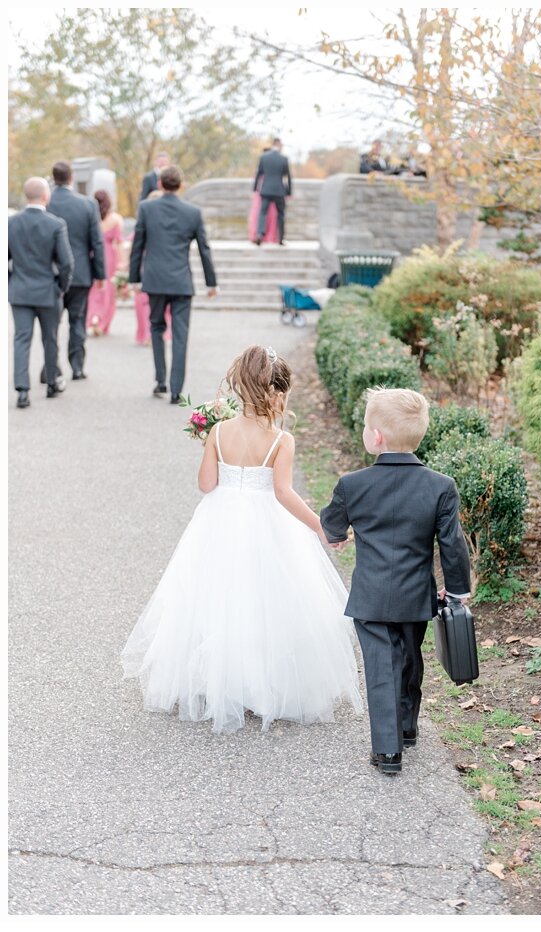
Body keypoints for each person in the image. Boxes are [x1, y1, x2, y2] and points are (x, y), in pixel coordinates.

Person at [121, 345, 363, 733]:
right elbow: (283, 493)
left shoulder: (218, 431)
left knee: (217, 599)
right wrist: (320, 526)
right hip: (267, 522)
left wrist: (211, 448)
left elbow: (206, 485)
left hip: (218, 521)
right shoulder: (280, 440)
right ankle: (264, 686)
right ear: (278, 394)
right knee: (266, 600)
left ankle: (219, 682)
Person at [320, 388, 471, 776]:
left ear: (377, 437)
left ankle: (388, 751)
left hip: (370, 597)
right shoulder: (440, 486)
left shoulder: (352, 485)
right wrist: (456, 590)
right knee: (408, 659)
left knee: (380, 666)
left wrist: (338, 534)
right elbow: (451, 544)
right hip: (416, 596)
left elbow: (333, 527)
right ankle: (406, 727)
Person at [128, 164, 218, 403]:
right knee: (180, 335)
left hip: (155, 279)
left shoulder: (146, 208)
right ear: (181, 185)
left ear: (160, 184)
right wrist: (212, 283)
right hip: (180, 281)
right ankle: (176, 389)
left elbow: (138, 245)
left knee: (156, 328)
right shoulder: (192, 212)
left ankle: (160, 381)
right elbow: (204, 250)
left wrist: (134, 278)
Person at [9, 177, 74, 408]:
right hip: (48, 291)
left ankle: (22, 391)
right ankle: (51, 384)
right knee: (51, 338)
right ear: (46, 196)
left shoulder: (11, 223)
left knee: (21, 339)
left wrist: (11, 281)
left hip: (20, 291)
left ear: (27, 196)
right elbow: (66, 263)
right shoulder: (56, 224)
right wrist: (61, 288)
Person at [43, 161, 106, 382]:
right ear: (71, 178)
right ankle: (77, 367)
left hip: (50, 273)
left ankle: (50, 367)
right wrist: (100, 274)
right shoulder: (88, 204)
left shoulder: (45, 202)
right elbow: (97, 242)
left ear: (54, 178)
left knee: (51, 322)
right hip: (81, 273)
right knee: (77, 321)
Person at [132, 191, 172, 346]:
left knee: (144, 305)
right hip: (163, 272)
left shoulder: (144, 223)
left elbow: (135, 249)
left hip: (146, 269)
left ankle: (148, 334)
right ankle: (154, 334)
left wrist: (133, 277)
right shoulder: (169, 226)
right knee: (161, 308)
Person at [86, 190, 125, 336]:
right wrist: (123, 262)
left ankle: (93, 316)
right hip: (109, 256)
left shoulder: (90, 218)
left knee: (93, 290)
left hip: (93, 255)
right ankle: (103, 321)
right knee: (108, 290)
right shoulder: (116, 219)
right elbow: (120, 242)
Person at [253, 138, 292, 246]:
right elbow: (287, 176)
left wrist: (255, 188)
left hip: (265, 189)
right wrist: (289, 191)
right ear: (279, 145)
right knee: (281, 214)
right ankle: (281, 238)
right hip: (279, 190)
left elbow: (259, 173)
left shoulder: (264, 157)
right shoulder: (284, 158)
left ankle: (260, 234)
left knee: (263, 213)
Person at [248, 147, 278, 243]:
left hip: (263, 195)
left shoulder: (263, 169)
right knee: (263, 216)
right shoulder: (269, 169)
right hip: (263, 195)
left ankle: (262, 235)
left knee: (266, 216)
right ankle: (262, 236)